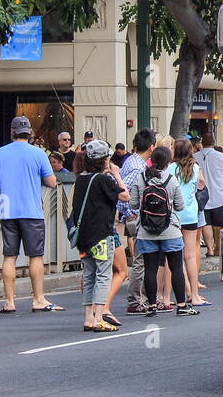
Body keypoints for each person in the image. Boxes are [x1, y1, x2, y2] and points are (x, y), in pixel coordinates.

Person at [0, 116, 63, 312]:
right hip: (32, 211)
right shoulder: (38, 154)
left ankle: (9, 302)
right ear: (29, 132)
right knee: (35, 256)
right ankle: (38, 299)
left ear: (12, 132)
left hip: (7, 210)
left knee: (9, 256)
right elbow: (52, 182)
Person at [128, 146, 197, 317]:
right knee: (176, 268)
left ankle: (151, 306)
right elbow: (180, 206)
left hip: (145, 230)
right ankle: (181, 306)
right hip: (170, 230)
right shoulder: (171, 180)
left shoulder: (140, 178)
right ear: (168, 162)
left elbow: (133, 204)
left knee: (150, 269)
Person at [71, 140, 129, 333]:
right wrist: (116, 174)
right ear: (104, 159)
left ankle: (88, 317)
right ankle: (98, 318)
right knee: (103, 275)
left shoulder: (81, 179)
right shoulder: (103, 180)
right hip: (101, 235)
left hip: (83, 237)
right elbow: (124, 196)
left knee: (88, 275)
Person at [169, 138, 208, 308]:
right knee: (190, 255)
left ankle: (182, 291)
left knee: (176, 256)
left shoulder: (171, 168)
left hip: (174, 215)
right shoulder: (196, 168)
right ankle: (195, 294)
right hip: (191, 214)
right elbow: (201, 186)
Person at [119, 129, 155, 314]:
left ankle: (143, 298)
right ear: (151, 147)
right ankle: (135, 300)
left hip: (136, 215)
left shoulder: (132, 161)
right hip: (137, 217)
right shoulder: (137, 167)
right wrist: (130, 213)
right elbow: (123, 192)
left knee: (144, 258)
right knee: (140, 260)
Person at [195, 130, 223, 260]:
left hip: (202, 196)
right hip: (220, 195)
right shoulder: (221, 156)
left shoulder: (195, 157)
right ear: (213, 142)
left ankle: (210, 250)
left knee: (206, 223)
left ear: (202, 143)